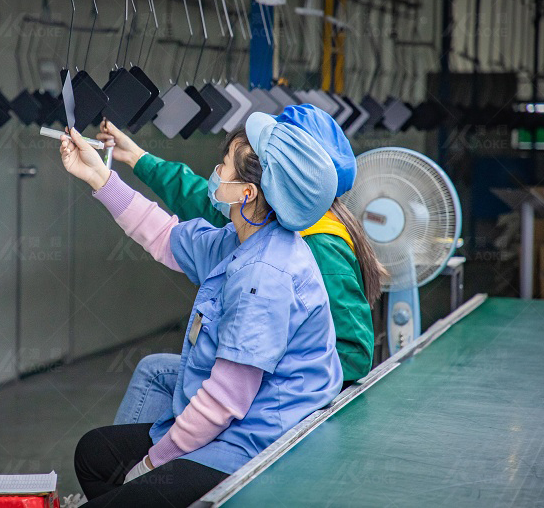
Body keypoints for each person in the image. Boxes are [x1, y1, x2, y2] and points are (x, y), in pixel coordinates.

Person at [61, 111, 342, 507]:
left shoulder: (265, 276)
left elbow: (224, 402)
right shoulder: (240, 239)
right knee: (95, 453)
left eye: (224, 165)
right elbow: (164, 235)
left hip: (252, 446)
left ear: (248, 193)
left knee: (124, 485)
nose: (215, 171)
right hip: (233, 424)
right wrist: (98, 177)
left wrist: (150, 465)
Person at [102, 105, 385, 426]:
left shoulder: (319, 245)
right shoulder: (266, 220)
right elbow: (198, 201)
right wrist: (136, 159)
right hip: (262, 388)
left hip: (282, 404)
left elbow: (354, 354)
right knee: (157, 371)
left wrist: (269, 379)